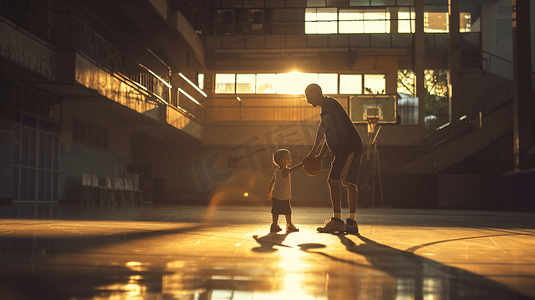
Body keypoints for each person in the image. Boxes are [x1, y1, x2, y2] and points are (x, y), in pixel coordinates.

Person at [302, 83, 365, 234]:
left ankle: (347, 222)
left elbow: (322, 131)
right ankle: (343, 221)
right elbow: (329, 137)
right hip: (345, 149)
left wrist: (312, 152)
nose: (307, 100)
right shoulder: (329, 106)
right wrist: (319, 156)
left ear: (316, 93)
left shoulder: (329, 106)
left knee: (348, 183)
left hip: (350, 148)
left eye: (308, 96)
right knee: (337, 182)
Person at [266, 149, 303, 233]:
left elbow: (272, 182)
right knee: (288, 212)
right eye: (288, 157)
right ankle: (289, 225)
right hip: (283, 196)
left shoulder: (276, 171)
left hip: (276, 195)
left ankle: (274, 225)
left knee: (275, 211)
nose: (290, 159)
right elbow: (293, 169)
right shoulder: (285, 171)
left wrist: (269, 192)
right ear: (282, 160)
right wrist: (302, 164)